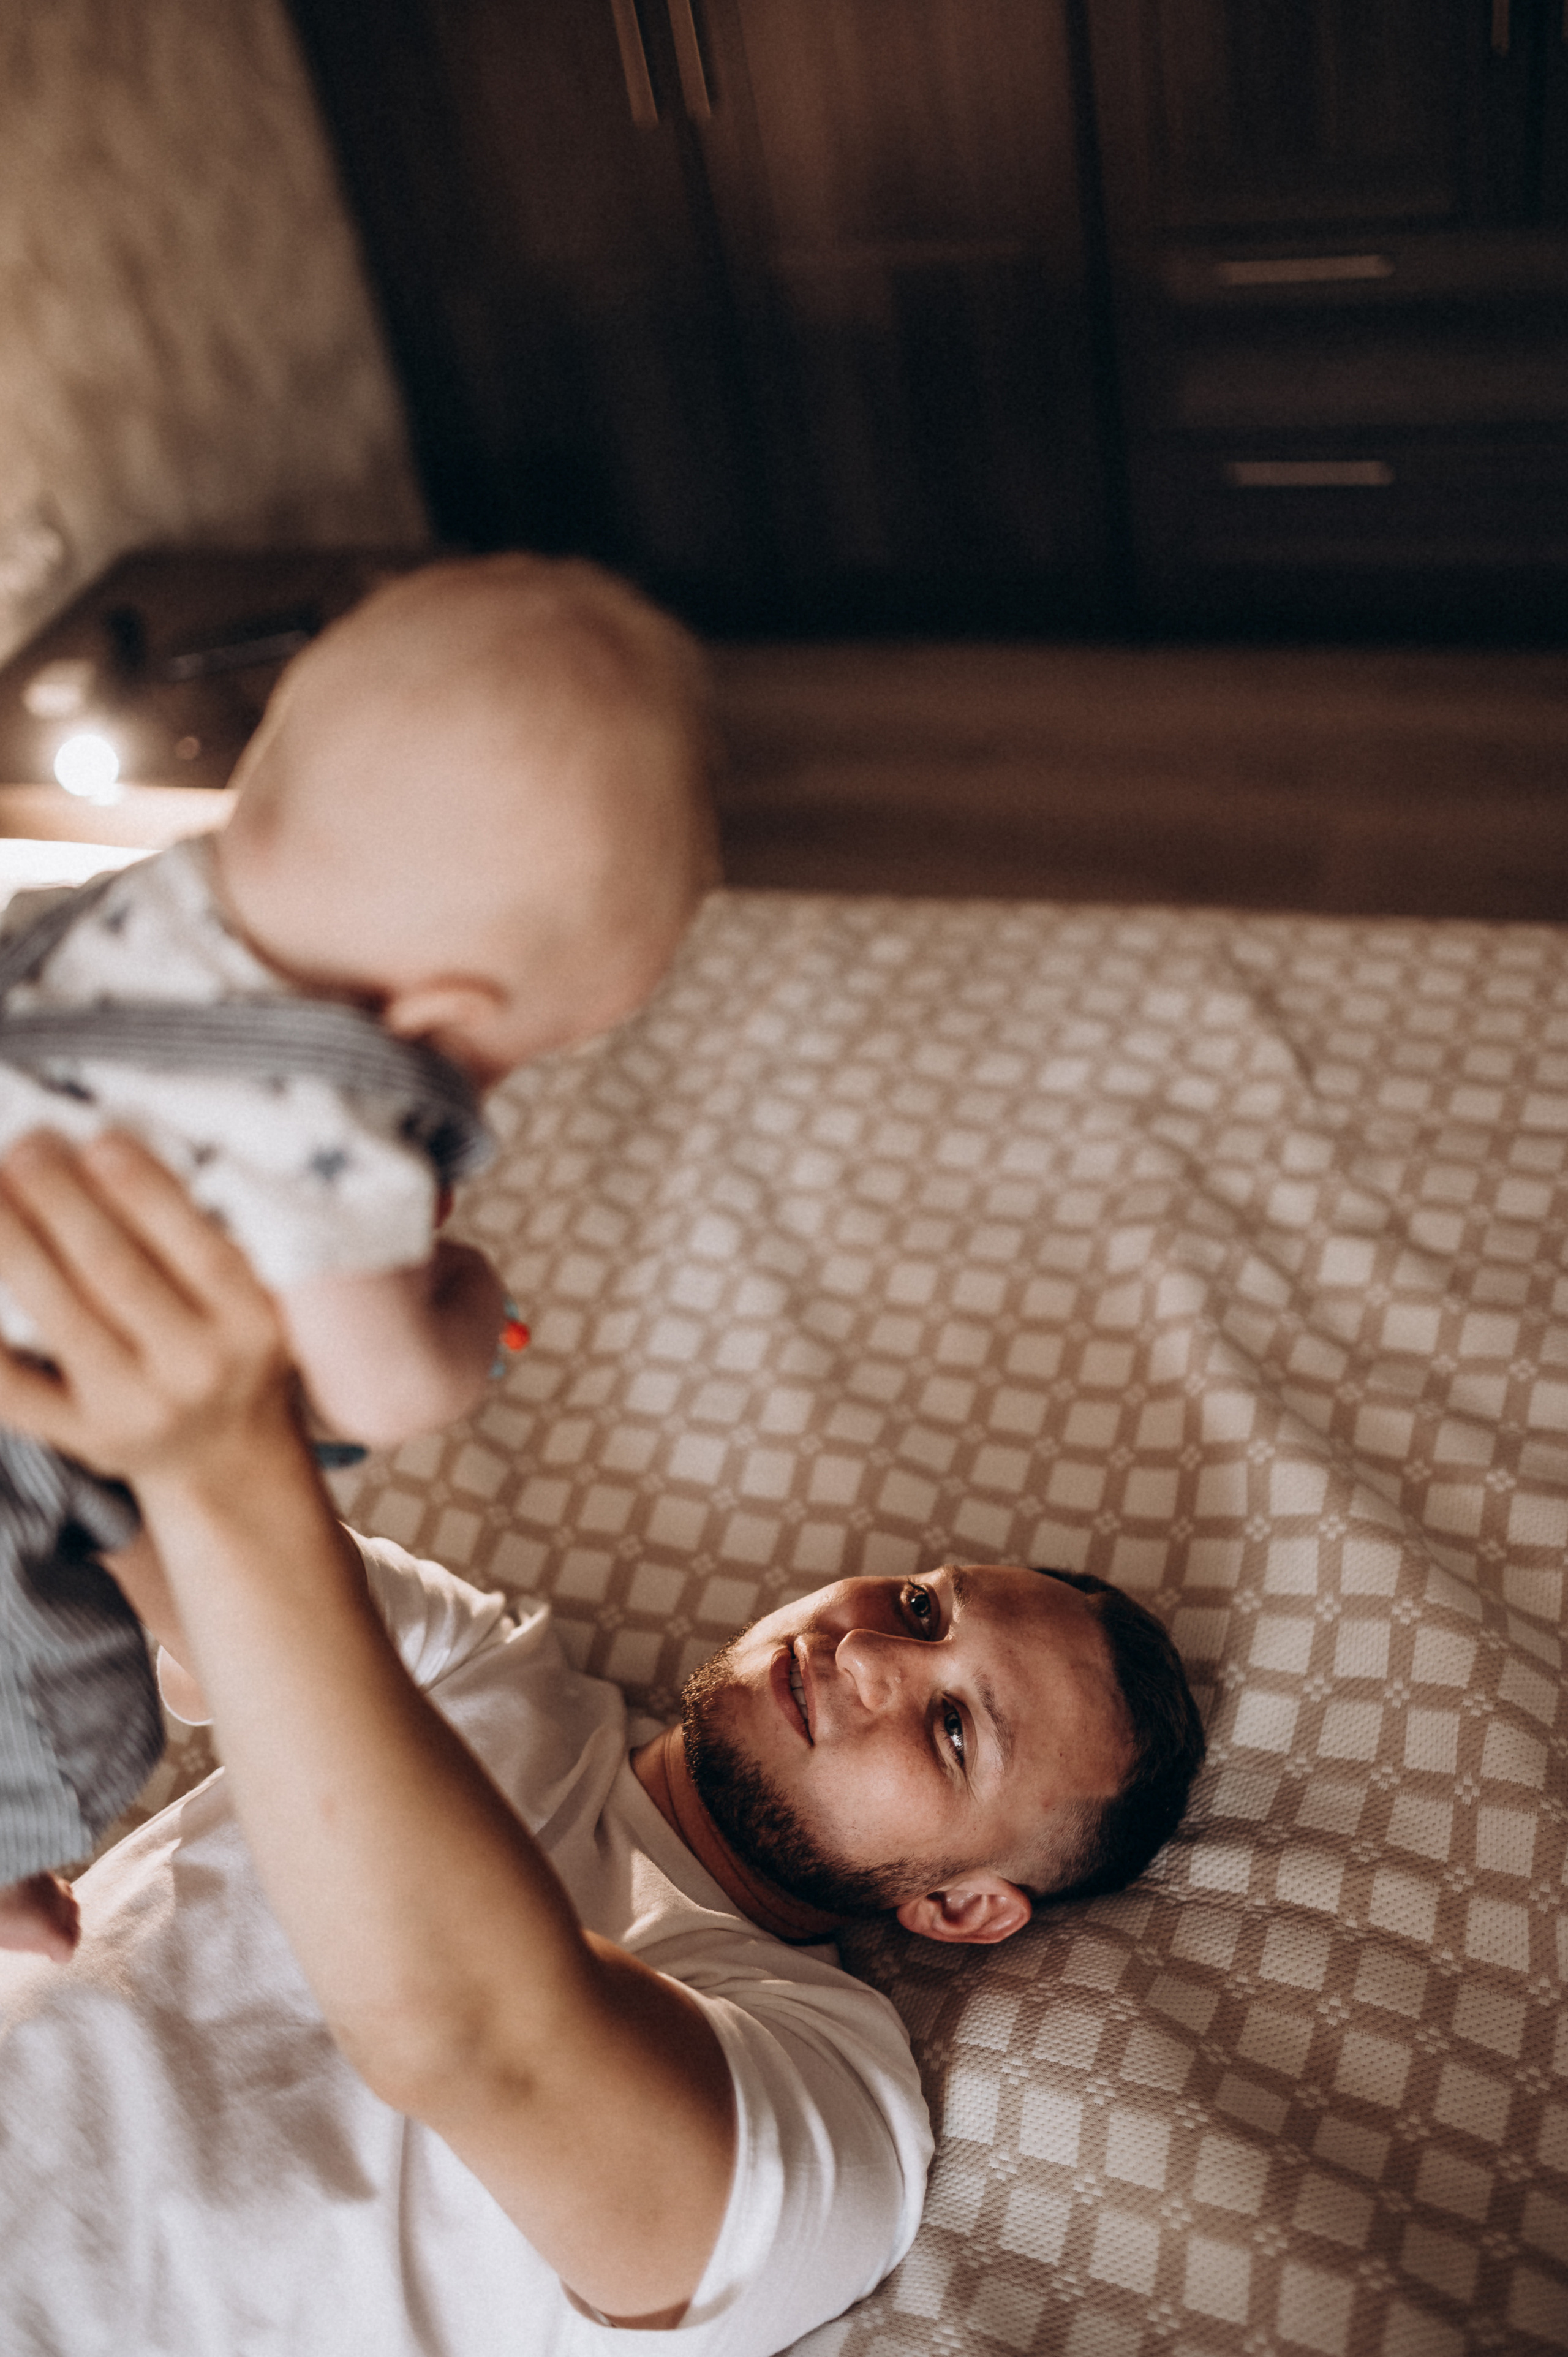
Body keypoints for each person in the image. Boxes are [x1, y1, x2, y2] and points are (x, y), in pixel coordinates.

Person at [0, 1134, 1204, 2353]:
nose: (871, 1652)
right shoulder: (482, 1660)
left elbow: (467, 2036)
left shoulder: (834, 2103)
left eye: (951, 1729)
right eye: (919, 1604)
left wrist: (228, 1451)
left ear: (958, 1907)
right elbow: (119, 1510)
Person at [0, 554, 718, 1959]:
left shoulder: (121, 905)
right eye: (498, 1064)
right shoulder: (320, 1119)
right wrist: (470, 1305)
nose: (480, 1103)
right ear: (439, 1009)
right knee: (72, 1708)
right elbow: (386, 1391)